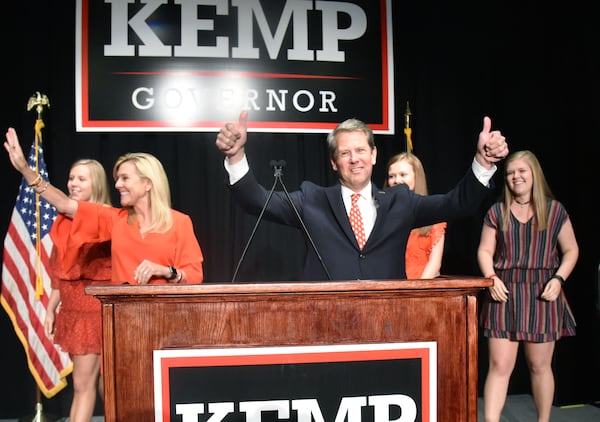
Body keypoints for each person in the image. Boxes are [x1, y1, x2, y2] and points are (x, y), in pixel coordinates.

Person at [215, 110, 508, 281]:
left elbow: (457, 203)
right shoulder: (311, 200)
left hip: (388, 324)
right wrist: (236, 155)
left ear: (374, 155)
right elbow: (255, 200)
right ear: (333, 162)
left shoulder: (401, 201)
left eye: (360, 151)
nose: (354, 159)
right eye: (345, 153)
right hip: (326, 325)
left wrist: (483, 163)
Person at [4, 127, 205, 285]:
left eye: (125, 178)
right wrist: (26, 170)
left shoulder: (179, 222)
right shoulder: (115, 219)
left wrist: (165, 271)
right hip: (123, 320)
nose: (117, 185)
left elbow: (195, 276)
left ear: (147, 183)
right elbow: (64, 204)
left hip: (167, 318)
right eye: (117, 179)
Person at [477, 150, 578, 422]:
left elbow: (571, 250)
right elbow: (485, 251)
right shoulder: (497, 211)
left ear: (534, 174)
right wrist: (491, 278)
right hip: (504, 293)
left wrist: (558, 279)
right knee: (499, 366)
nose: (515, 177)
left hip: (542, 292)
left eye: (522, 171)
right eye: (510, 173)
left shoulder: (555, 210)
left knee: (539, 365)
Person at [45, 159, 112, 422]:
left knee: (85, 388)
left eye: (81, 179)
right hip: (73, 311)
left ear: (96, 182)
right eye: (72, 178)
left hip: (94, 313)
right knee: (97, 386)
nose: (73, 183)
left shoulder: (106, 217)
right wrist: (51, 307)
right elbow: (60, 273)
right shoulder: (63, 222)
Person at [384, 152, 447, 279]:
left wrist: (416, 290)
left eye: (403, 175)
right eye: (392, 176)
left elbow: (435, 263)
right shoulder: (382, 214)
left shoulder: (433, 215)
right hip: (388, 286)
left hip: (421, 287)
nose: (397, 180)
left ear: (416, 177)